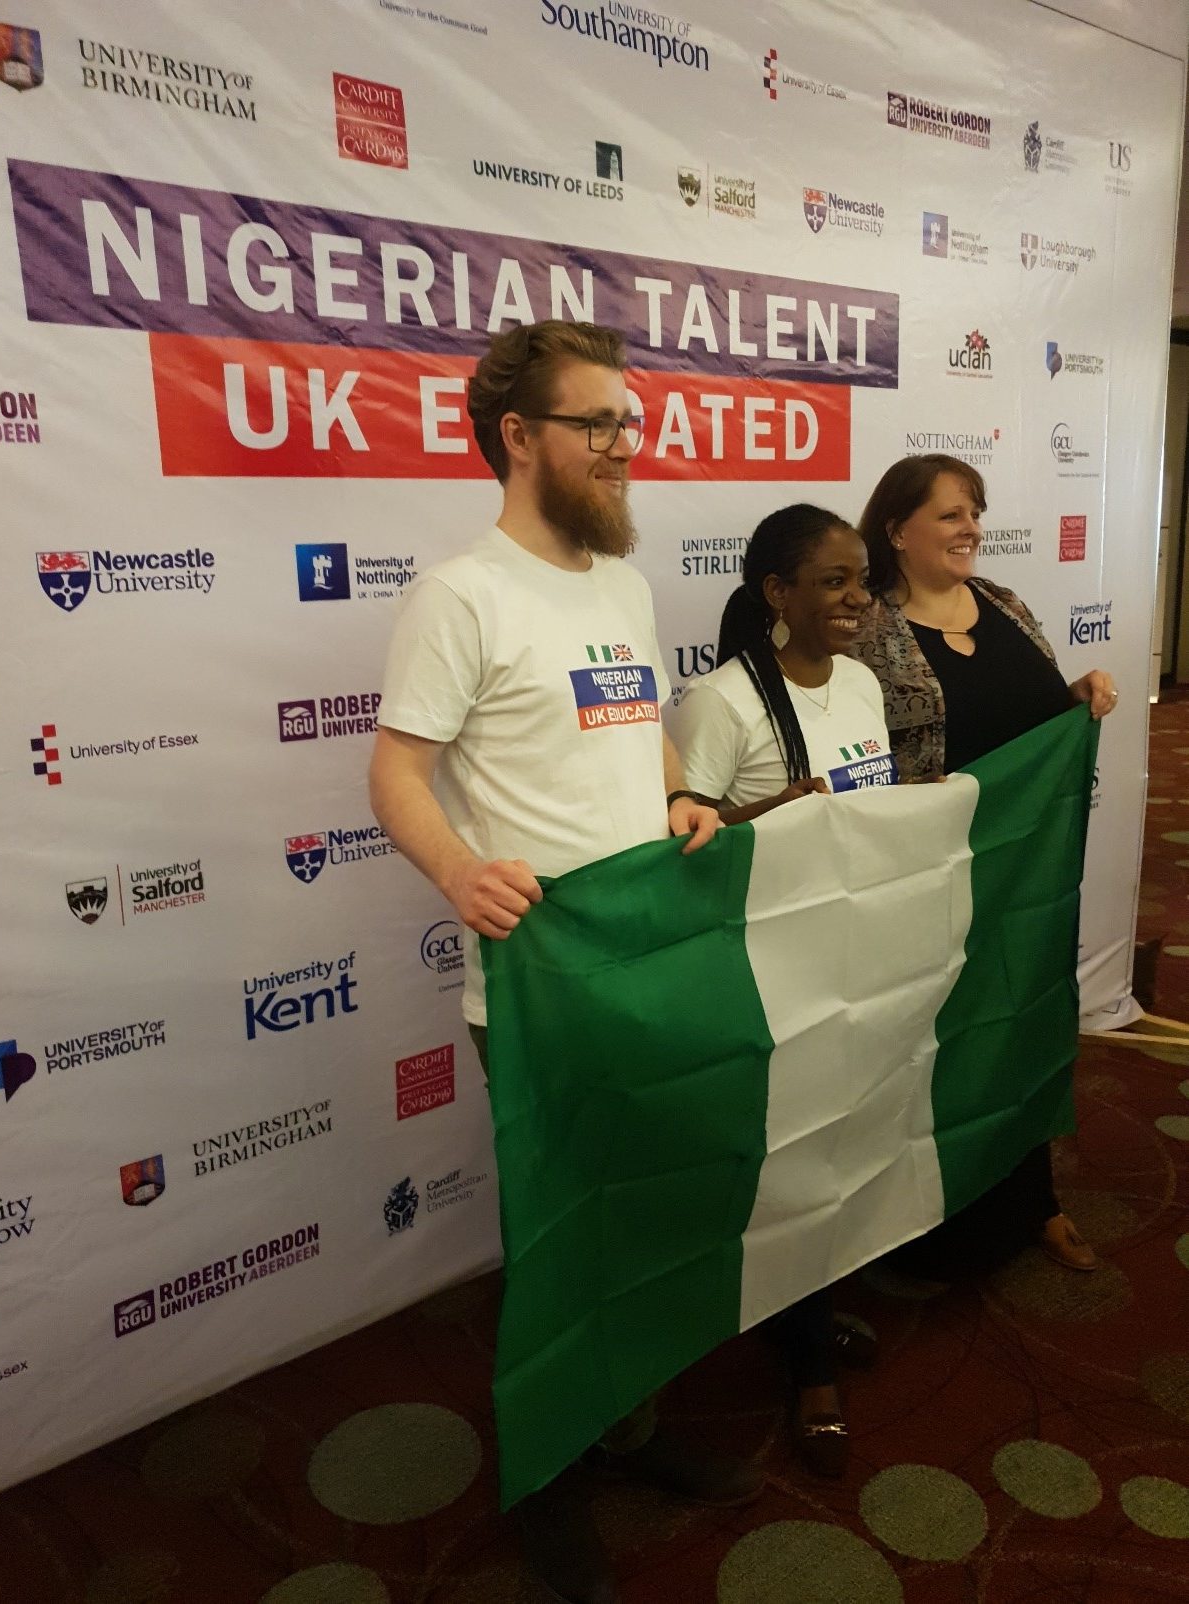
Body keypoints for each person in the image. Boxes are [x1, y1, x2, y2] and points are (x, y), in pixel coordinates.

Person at [368, 319, 762, 1604]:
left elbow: (643, 734)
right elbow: (396, 771)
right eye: (599, 424)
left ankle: (627, 1430)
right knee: (561, 1234)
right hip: (539, 982)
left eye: (629, 423)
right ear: (520, 437)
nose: (624, 447)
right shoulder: (461, 595)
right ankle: (546, 1476)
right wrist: (455, 870)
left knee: (641, 1207)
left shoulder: (622, 585)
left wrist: (682, 793)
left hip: (646, 956)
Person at [850, 452, 1118, 1277]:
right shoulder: (864, 629)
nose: (971, 528)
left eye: (975, 511)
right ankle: (925, 1226)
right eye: (950, 514)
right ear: (896, 530)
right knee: (936, 1047)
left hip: (1022, 877)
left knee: (1022, 1028)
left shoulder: (1005, 605)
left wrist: (1076, 697)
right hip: (927, 881)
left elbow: (1031, 719)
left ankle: (1034, 1200)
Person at [668, 503, 892, 1479]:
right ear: (776, 592)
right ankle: (807, 1366)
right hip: (770, 972)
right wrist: (773, 811)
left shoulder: (861, 683)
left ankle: (800, 1303)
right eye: (834, 580)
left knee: (842, 1143)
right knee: (791, 1157)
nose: (856, 598)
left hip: (859, 953)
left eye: (862, 580)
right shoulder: (722, 702)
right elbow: (680, 843)